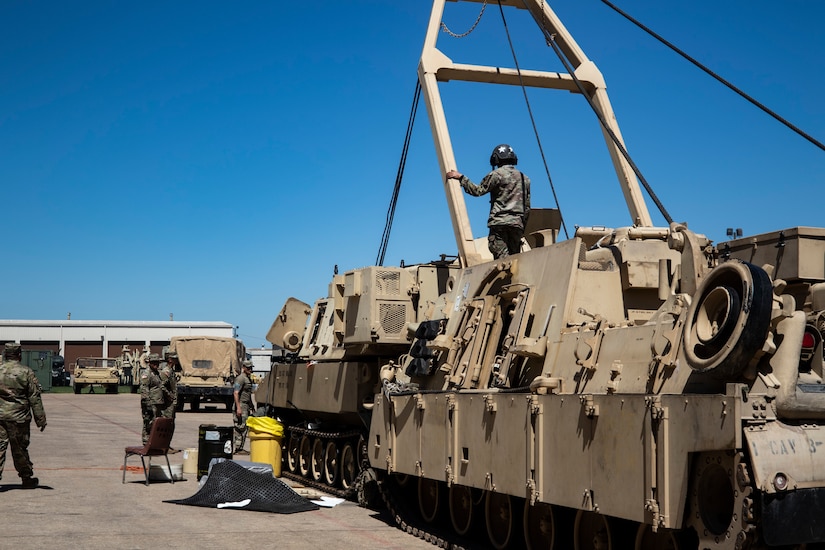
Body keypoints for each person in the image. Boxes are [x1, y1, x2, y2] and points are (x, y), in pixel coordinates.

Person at [446, 143, 531, 259]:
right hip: (517, 225)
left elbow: (477, 191)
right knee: (515, 260)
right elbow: (527, 207)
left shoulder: (496, 175)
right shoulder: (524, 178)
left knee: (502, 262)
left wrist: (461, 178)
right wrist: (521, 225)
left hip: (499, 224)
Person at [0, 343, 47, 488]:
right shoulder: (25, 372)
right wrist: (40, 419)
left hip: (0, 417)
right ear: (19, 355)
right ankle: (26, 478)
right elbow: (34, 397)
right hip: (18, 418)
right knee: (20, 449)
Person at [232, 360, 255, 454]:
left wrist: (251, 405)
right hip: (241, 405)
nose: (250, 369)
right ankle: (237, 448)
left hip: (245, 405)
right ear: (244, 368)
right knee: (239, 427)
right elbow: (236, 393)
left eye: (251, 368)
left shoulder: (247, 378)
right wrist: (238, 407)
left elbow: (248, 394)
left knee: (244, 427)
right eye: (248, 368)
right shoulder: (240, 379)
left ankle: (240, 447)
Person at [140, 354, 163, 444]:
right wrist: (147, 403)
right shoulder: (146, 374)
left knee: (155, 423)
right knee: (148, 422)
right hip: (150, 403)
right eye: (154, 363)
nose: (156, 364)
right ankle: (146, 441)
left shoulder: (156, 373)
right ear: (149, 363)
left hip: (157, 402)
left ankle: (153, 441)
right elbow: (144, 389)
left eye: (157, 363)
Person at [159, 351, 178, 420]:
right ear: (170, 360)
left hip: (172, 402)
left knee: (171, 421)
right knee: (167, 421)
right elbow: (161, 386)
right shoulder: (165, 372)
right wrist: (169, 395)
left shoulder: (171, 371)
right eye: (174, 358)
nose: (176, 360)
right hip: (167, 403)